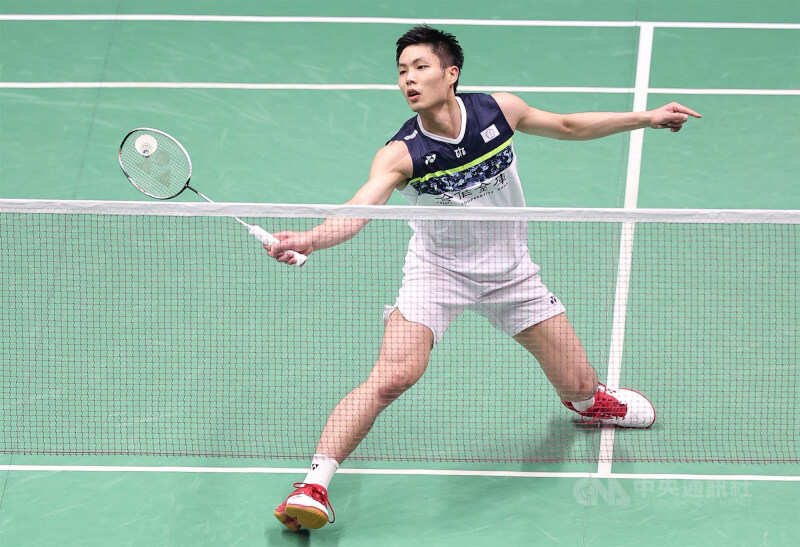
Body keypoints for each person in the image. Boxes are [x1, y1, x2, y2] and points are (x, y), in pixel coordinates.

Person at [269, 25, 701, 531]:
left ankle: (590, 401)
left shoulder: (498, 110)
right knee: (392, 377)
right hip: (438, 273)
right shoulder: (402, 153)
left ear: (451, 73)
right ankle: (313, 485)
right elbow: (361, 208)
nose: (409, 80)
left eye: (420, 67)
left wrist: (645, 117)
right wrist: (312, 238)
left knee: (581, 385)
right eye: (402, 72)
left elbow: (567, 125)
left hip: (512, 274)